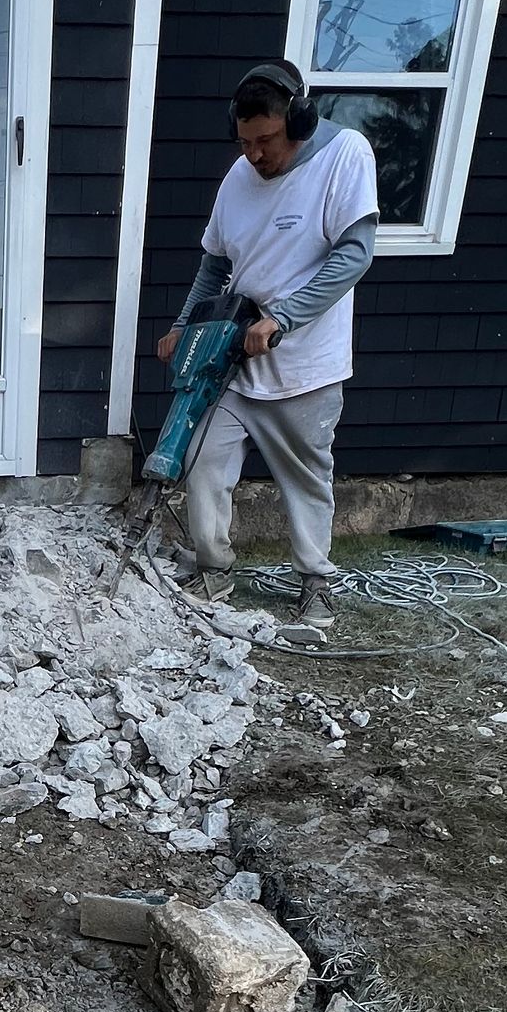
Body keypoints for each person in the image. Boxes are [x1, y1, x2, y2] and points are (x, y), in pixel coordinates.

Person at [156, 61, 378, 634]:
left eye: (267, 140)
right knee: (202, 463)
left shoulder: (343, 156)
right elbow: (215, 264)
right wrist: (182, 325)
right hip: (233, 358)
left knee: (306, 477)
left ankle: (316, 582)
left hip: (307, 365)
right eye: (246, 141)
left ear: (298, 121)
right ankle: (214, 570)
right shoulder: (238, 175)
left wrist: (282, 317)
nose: (256, 154)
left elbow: (353, 255)